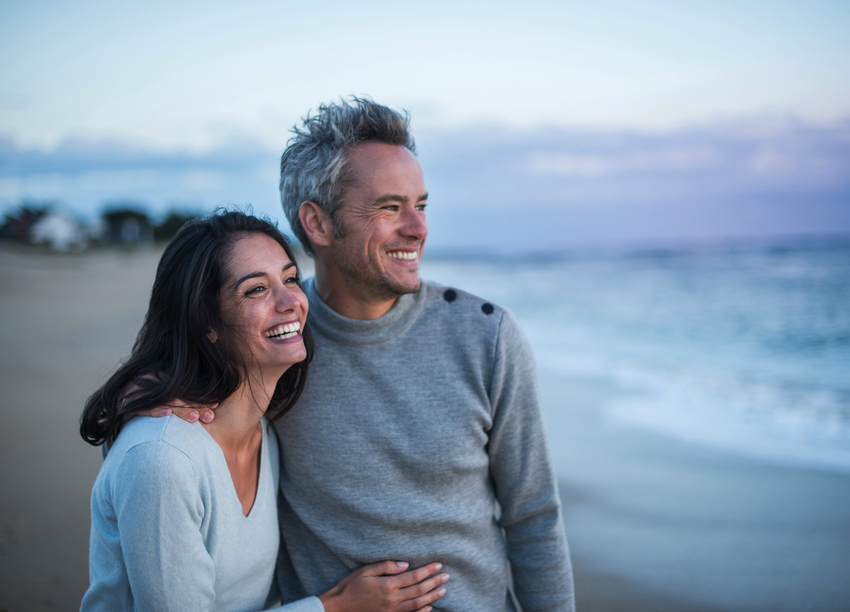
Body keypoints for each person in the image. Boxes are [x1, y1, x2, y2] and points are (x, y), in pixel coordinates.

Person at [165, 99, 575, 611]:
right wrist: (151, 400)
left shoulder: (488, 336)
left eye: (421, 205)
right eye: (389, 207)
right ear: (318, 223)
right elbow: (181, 405)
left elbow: (533, 517)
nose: (419, 228)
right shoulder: (273, 340)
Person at [79, 211, 449, 612]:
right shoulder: (162, 462)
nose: (292, 301)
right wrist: (335, 606)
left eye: (290, 279)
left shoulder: (266, 432)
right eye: (255, 290)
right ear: (206, 322)